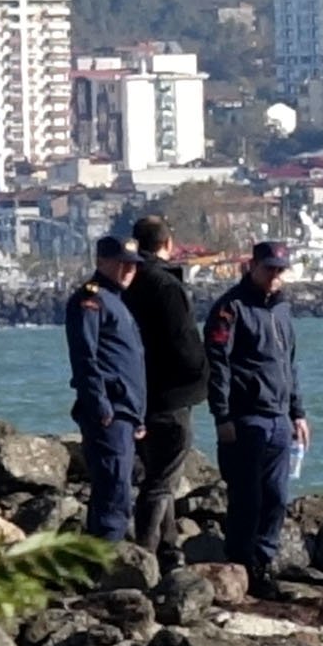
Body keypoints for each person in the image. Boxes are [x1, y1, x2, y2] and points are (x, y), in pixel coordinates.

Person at [205, 241, 307, 599]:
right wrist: (222, 415)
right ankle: (240, 563)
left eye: (280, 270)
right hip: (245, 417)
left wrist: (298, 412)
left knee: (277, 496)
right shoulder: (230, 308)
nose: (275, 276)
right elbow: (217, 365)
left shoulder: (282, 310)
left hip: (279, 417)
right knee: (246, 497)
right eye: (269, 269)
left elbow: (289, 365)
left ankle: (263, 562)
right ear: (252, 266)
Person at [122, 215, 208, 572]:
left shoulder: (127, 283)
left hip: (140, 391)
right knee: (163, 478)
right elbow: (184, 341)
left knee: (159, 470)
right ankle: (145, 553)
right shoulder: (165, 285)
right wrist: (204, 373)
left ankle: (170, 550)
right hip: (170, 392)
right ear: (168, 243)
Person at [63, 236, 148, 542]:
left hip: (125, 412)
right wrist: (101, 407)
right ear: (101, 262)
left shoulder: (117, 301)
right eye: (122, 263)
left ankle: (102, 559)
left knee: (117, 487)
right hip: (109, 412)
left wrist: (137, 416)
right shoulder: (92, 299)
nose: (129, 270)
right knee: (114, 491)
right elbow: (85, 357)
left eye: (134, 265)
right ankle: (105, 564)